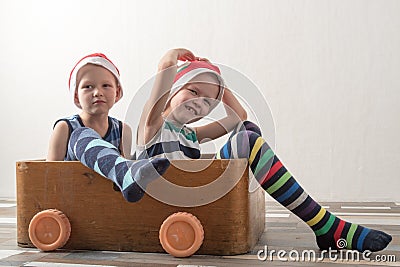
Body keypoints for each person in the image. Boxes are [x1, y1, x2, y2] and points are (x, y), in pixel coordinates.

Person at [67, 48, 392, 253]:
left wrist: (219, 87)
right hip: (162, 203)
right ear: (171, 92)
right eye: (192, 91)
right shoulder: (152, 126)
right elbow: (160, 87)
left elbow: (239, 118)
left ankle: (322, 225)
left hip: (204, 199)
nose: (199, 103)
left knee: (247, 133)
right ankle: (327, 227)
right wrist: (170, 59)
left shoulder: (191, 135)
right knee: (241, 131)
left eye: (208, 101)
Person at [47, 53, 170, 202]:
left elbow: (126, 182)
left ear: (117, 93)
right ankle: (124, 170)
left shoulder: (123, 129)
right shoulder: (65, 127)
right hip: (74, 196)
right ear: (76, 96)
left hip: (106, 200)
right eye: (88, 87)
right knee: (81, 134)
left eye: (106, 86)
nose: (98, 92)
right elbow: (48, 174)